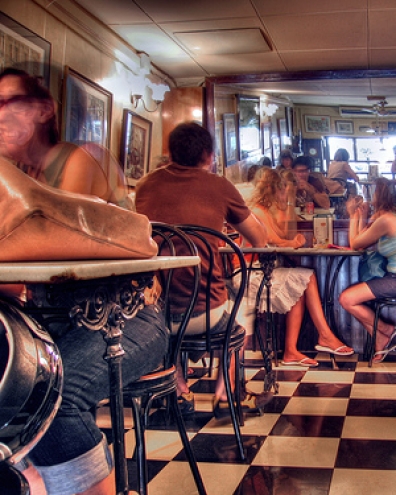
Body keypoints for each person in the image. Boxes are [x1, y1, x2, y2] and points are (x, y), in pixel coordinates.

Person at [0, 69, 168, 495]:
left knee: (50, 397)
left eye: (7, 102)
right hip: (54, 324)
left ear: (42, 109)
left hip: (128, 315)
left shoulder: (79, 159)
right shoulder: (15, 179)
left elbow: (57, 238)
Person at [135, 122, 270, 419]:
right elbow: (259, 239)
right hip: (203, 314)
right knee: (239, 319)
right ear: (209, 155)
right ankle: (227, 395)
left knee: (169, 311)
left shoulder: (145, 185)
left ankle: (178, 389)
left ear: (169, 153)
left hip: (149, 315)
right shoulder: (219, 185)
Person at [248, 167, 354, 366]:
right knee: (306, 278)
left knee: (302, 283)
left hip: (263, 269)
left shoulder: (264, 211)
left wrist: (288, 205)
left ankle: (292, 351)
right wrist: (292, 242)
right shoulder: (257, 211)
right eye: (282, 190)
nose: (285, 194)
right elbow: (274, 240)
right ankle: (323, 336)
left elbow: (283, 235)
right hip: (251, 273)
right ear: (272, 189)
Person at [0, 68, 131, 209]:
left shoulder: (82, 158)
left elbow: (56, 227)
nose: (2, 116)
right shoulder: (25, 168)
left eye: (17, 104)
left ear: (44, 111)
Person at [339, 178, 396, 364]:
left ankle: (385, 330)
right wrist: (363, 216)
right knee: (348, 299)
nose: (367, 198)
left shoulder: (386, 220)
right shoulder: (386, 217)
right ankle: (380, 337)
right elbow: (361, 243)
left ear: (378, 197)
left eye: (370, 193)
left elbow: (355, 244)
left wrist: (353, 215)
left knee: (346, 299)